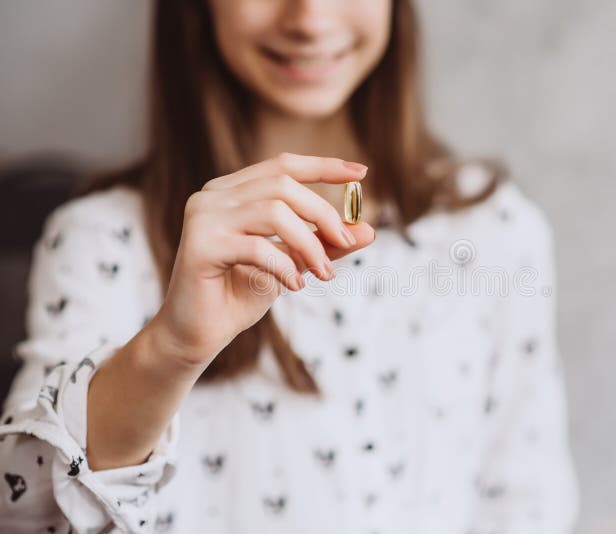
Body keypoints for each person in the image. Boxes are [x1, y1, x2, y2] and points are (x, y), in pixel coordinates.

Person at [0, 1, 579, 532]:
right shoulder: (103, 240)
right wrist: (169, 349)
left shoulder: (496, 231)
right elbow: (26, 512)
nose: (310, 19)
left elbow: (527, 503)